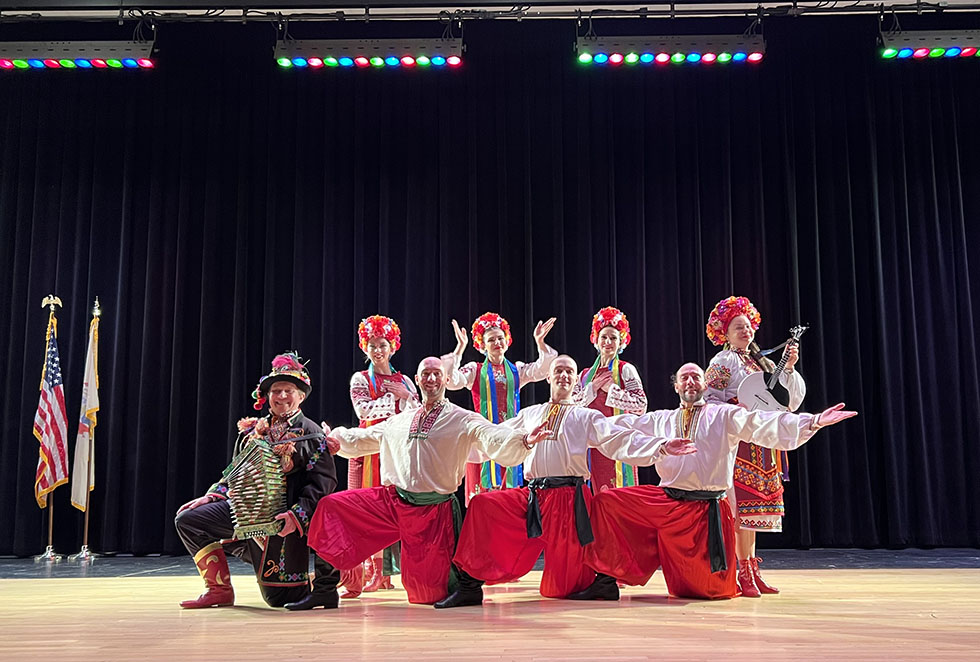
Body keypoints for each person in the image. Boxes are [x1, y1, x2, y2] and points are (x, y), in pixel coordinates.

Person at [572, 362, 854, 601]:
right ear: (676, 386)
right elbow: (616, 430)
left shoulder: (724, 415)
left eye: (696, 376)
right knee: (608, 502)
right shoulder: (661, 419)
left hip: (704, 511)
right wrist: (578, 425)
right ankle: (607, 579)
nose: (691, 381)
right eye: (685, 377)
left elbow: (763, 423)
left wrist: (813, 421)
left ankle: (688, 565)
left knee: (707, 591)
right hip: (666, 501)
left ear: (705, 384)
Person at [437, 355, 695, 608]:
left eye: (569, 371)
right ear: (549, 376)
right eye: (558, 370)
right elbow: (496, 437)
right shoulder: (531, 413)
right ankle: (469, 586)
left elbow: (619, 439)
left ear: (576, 381)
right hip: (533, 497)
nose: (563, 375)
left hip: (568, 501)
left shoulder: (586, 417)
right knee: (483, 504)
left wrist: (661, 446)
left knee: (559, 590)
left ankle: (603, 581)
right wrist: (455, 447)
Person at [307, 357, 550, 606]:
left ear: (446, 379)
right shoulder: (400, 420)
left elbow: (492, 435)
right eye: (425, 374)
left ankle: (468, 587)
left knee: (426, 595)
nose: (431, 379)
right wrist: (338, 440)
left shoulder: (463, 418)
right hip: (391, 502)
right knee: (332, 508)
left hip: (433, 512)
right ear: (417, 379)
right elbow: (367, 437)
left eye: (436, 374)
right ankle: (325, 589)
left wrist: (524, 440)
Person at [174, 352, 340, 610]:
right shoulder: (253, 432)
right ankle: (218, 590)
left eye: (288, 390)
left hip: (281, 522)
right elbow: (233, 472)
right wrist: (212, 495)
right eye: (276, 391)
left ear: (301, 396)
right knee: (189, 519)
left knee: (281, 600)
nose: (281, 396)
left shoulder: (311, 433)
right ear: (267, 397)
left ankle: (312, 580)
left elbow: (323, 483)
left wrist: (296, 516)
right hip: (244, 512)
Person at [704, 295, 804, 597]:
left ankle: (751, 569)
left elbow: (788, 399)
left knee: (754, 511)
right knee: (741, 510)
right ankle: (742, 572)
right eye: (737, 328)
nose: (745, 332)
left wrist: (788, 367)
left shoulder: (763, 362)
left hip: (762, 441)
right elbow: (709, 400)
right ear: (726, 333)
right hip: (741, 441)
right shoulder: (723, 361)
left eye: (747, 326)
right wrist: (737, 408)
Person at [342, 315, 419, 598]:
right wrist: (399, 397)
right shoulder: (360, 379)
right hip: (366, 452)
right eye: (372, 345)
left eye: (383, 344)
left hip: (394, 452)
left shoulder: (406, 380)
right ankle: (367, 571)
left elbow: (418, 412)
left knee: (391, 508)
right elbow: (364, 411)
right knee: (365, 508)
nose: (378, 350)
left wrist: (406, 396)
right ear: (365, 348)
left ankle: (386, 573)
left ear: (393, 347)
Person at [443, 313, 557, 503]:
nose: (497, 342)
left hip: (510, 439)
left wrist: (540, 342)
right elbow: (453, 381)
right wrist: (460, 348)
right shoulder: (474, 370)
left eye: (500, 338)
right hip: (481, 442)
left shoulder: (517, 370)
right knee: (482, 501)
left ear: (507, 341)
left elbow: (541, 370)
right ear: (482, 345)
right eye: (491, 340)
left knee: (509, 500)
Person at [574, 306, 648, 491]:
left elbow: (641, 405)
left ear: (621, 341)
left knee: (621, 495)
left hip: (618, 440)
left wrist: (611, 390)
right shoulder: (583, 375)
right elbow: (572, 407)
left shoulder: (625, 369)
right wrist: (593, 388)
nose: (608, 341)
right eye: (604, 337)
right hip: (592, 446)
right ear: (596, 340)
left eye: (613, 337)